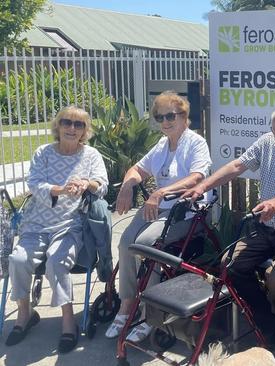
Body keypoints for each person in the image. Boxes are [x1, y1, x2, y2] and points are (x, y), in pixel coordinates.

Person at [184, 107, 275, 351]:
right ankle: (265, 318)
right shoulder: (266, 143)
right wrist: (203, 186)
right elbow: (238, 166)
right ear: (272, 133)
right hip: (264, 227)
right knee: (229, 267)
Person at [105, 91, 212, 342]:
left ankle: (150, 313)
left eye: (170, 115)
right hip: (159, 208)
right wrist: (127, 186)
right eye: (159, 116)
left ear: (184, 116)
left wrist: (162, 191)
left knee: (146, 247)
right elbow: (137, 169)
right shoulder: (162, 144)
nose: (165, 121)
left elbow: (197, 177)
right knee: (125, 243)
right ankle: (127, 304)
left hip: (187, 213)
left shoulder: (196, 143)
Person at [6, 106, 108, 353]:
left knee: (57, 261)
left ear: (85, 130)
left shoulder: (91, 154)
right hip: (37, 224)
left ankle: (68, 320)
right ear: (58, 126)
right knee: (18, 259)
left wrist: (87, 184)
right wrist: (61, 190)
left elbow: (102, 185)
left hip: (70, 224)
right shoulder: (43, 152)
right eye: (67, 122)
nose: (72, 128)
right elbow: (35, 185)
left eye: (79, 124)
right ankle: (25, 313)